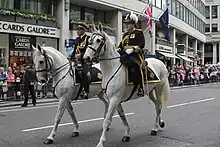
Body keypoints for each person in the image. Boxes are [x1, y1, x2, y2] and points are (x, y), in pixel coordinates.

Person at [118, 12, 146, 96]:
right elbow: (121, 46)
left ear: (133, 24)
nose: (126, 26)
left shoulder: (138, 32)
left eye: (128, 24)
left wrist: (133, 49)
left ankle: (140, 87)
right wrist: (118, 49)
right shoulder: (125, 35)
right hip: (125, 55)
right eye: (125, 24)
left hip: (135, 55)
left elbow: (142, 44)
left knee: (136, 66)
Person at [71, 23, 91, 99]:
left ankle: (85, 91)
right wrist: (72, 57)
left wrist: (81, 55)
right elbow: (75, 50)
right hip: (76, 60)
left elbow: (89, 50)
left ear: (83, 30)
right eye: (77, 30)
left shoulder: (88, 39)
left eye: (79, 30)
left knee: (84, 73)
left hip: (85, 60)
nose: (77, 31)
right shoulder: (77, 40)